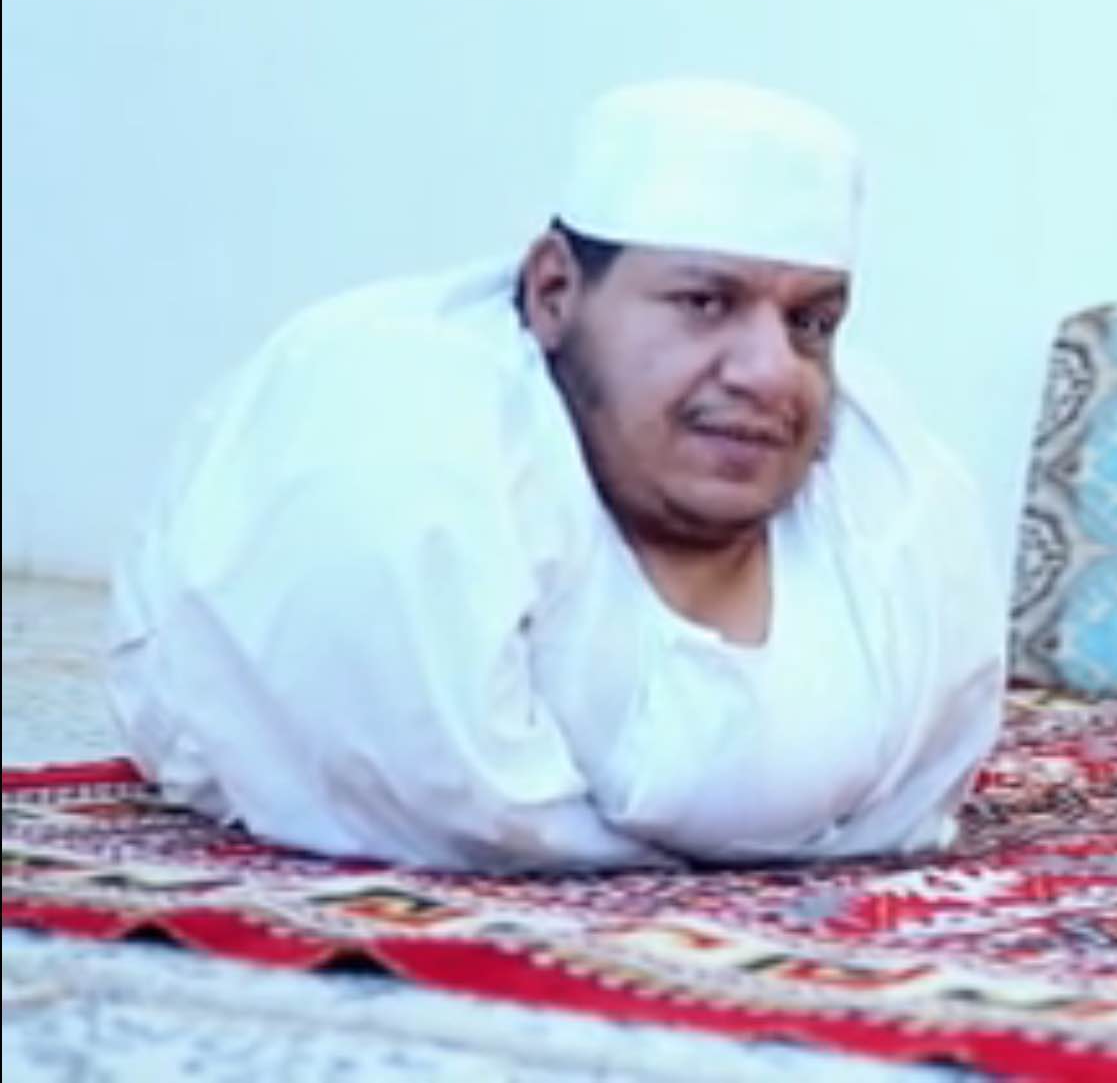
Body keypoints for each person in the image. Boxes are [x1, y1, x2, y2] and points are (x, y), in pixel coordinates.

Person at [105, 79, 1007, 871]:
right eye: (704, 303)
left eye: (812, 323)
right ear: (553, 293)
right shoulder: (402, 449)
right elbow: (424, 794)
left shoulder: (896, 501)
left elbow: (917, 790)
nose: (771, 373)